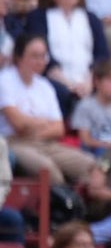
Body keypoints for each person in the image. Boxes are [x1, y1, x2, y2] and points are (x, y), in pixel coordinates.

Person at [0, 33, 99, 186]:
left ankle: (83, 205)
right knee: (49, 171)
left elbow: (59, 129)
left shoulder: (45, 86)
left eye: (43, 56)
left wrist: (32, 126)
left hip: (45, 143)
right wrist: (44, 123)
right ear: (18, 57)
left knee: (91, 165)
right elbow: (18, 124)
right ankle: (62, 205)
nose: (40, 62)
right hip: (15, 143)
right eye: (34, 56)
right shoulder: (4, 80)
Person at [25, 0, 110, 111]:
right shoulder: (39, 17)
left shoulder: (91, 18)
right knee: (59, 92)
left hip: (89, 80)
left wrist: (90, 81)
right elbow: (39, 54)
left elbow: (103, 54)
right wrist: (68, 84)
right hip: (54, 80)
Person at [71, 60, 111, 159]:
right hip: (94, 154)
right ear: (97, 82)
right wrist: (110, 146)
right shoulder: (86, 106)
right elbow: (85, 140)